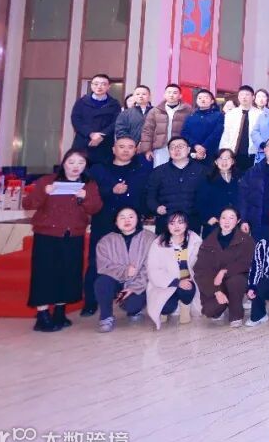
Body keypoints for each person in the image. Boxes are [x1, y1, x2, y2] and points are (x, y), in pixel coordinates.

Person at [83, 136, 151, 316]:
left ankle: (131, 297)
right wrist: (110, 191)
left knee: (135, 261)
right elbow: (89, 194)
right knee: (96, 261)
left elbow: (145, 195)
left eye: (130, 147)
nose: (126, 150)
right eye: (121, 146)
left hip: (132, 224)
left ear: (136, 150)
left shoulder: (142, 170)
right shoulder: (98, 170)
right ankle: (91, 301)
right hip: (104, 221)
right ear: (113, 149)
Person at [91, 206, 154, 332]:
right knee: (101, 282)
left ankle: (134, 310)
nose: (127, 220)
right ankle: (106, 317)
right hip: (116, 281)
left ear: (138, 219)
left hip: (140, 283)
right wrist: (125, 271)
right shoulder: (106, 241)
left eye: (131, 217)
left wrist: (134, 287)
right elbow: (103, 266)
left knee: (132, 305)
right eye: (122, 217)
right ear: (116, 221)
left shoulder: (150, 238)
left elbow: (151, 267)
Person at [194, 207, 256, 328]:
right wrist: (216, 291)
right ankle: (227, 300)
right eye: (223, 218)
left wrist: (224, 271)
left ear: (238, 221)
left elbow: (247, 262)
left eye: (231, 218)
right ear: (218, 220)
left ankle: (236, 314)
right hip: (216, 283)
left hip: (236, 279)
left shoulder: (246, 239)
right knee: (210, 311)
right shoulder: (208, 241)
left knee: (235, 281)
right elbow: (201, 270)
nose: (227, 221)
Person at [145, 212, 202, 329]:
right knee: (166, 307)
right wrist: (176, 282)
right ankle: (165, 310)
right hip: (165, 284)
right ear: (167, 225)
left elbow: (201, 264)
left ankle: (185, 306)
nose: (176, 226)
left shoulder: (195, 240)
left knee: (188, 288)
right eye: (172, 223)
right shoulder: (159, 243)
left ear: (186, 224)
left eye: (180, 222)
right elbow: (153, 270)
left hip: (187, 280)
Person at [146, 136, 205, 234]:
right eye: (172, 147)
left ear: (188, 150)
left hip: (191, 221)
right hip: (166, 221)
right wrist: (156, 208)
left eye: (180, 146)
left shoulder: (201, 170)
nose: (176, 150)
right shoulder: (158, 172)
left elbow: (207, 197)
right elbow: (150, 196)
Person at [69, 74, 122, 166]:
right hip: (83, 141)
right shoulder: (82, 102)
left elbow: (116, 122)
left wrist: (102, 135)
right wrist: (90, 134)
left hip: (104, 143)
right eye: (96, 84)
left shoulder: (114, 104)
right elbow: (76, 119)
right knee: (80, 169)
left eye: (103, 84)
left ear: (109, 86)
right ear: (91, 85)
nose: (99, 87)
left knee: (102, 171)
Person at [196, 149, 240, 238]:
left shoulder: (240, 177)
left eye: (227, 158)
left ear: (232, 161)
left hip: (236, 224)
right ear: (216, 162)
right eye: (221, 158)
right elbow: (199, 202)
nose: (224, 161)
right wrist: (207, 218)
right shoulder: (207, 179)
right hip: (214, 224)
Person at [219, 86, 262, 172]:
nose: (244, 97)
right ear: (238, 97)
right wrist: (223, 150)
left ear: (253, 97)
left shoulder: (260, 114)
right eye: (241, 95)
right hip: (233, 152)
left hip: (252, 153)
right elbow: (226, 134)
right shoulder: (231, 114)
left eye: (247, 95)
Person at [181, 89, 225, 165]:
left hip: (211, 152)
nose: (202, 100)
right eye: (200, 98)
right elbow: (184, 133)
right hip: (193, 151)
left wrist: (204, 147)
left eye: (206, 97)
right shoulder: (191, 116)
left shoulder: (218, 115)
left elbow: (217, 133)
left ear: (212, 101)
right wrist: (195, 145)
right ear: (196, 101)